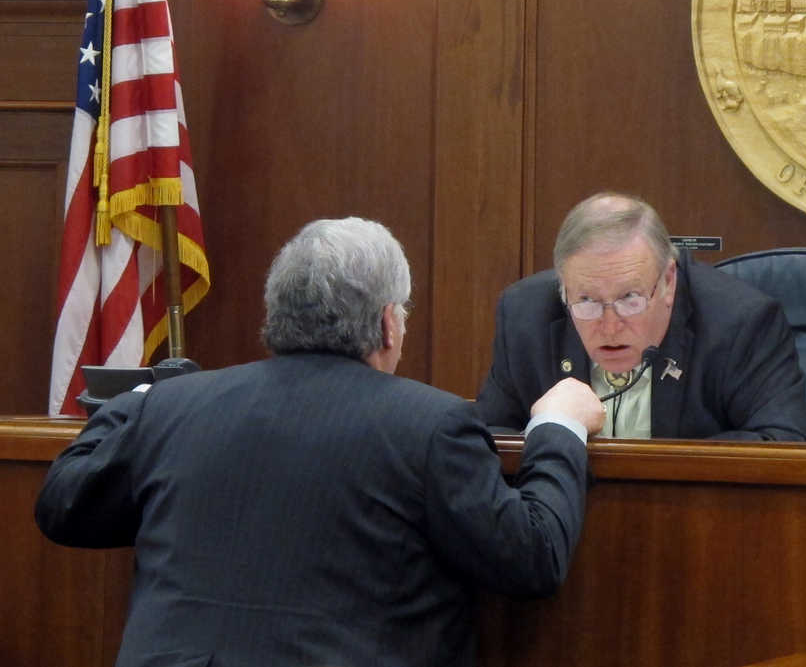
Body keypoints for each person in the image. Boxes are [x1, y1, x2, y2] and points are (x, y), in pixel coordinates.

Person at [35, 217, 605, 667]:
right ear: (387, 323)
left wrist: (142, 399)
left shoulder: (172, 408)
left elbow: (63, 504)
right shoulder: (433, 426)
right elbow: (531, 558)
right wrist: (558, 425)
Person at [476, 192, 806, 441]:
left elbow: (784, 443)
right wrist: (551, 429)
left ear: (668, 281)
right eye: (587, 301)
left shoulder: (741, 322)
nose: (609, 326)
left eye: (630, 299)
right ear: (563, 287)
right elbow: (489, 439)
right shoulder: (525, 314)